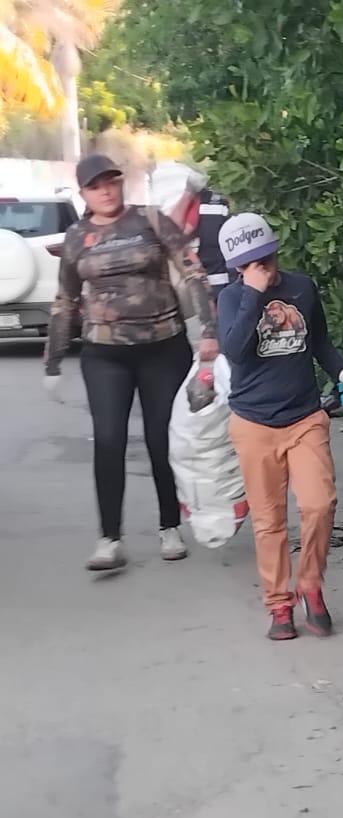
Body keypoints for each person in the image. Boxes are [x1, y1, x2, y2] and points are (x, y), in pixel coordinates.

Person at [44, 153, 219, 571]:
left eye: (111, 181)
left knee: (161, 438)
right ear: (84, 193)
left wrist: (210, 331)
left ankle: (169, 527)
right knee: (108, 440)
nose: (105, 190)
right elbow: (65, 299)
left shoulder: (153, 220)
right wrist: (53, 360)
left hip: (163, 347)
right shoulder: (76, 237)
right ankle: (110, 538)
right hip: (105, 355)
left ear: (120, 183)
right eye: (95, 185)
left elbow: (193, 273)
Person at [215, 212, 343, 641]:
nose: (264, 269)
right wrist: (253, 296)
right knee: (268, 520)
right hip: (253, 422)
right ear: (238, 268)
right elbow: (235, 352)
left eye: (267, 258)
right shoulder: (230, 299)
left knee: (318, 503)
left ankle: (310, 585)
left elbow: (320, 343)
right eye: (252, 264)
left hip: (304, 416)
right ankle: (279, 605)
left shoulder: (302, 287)